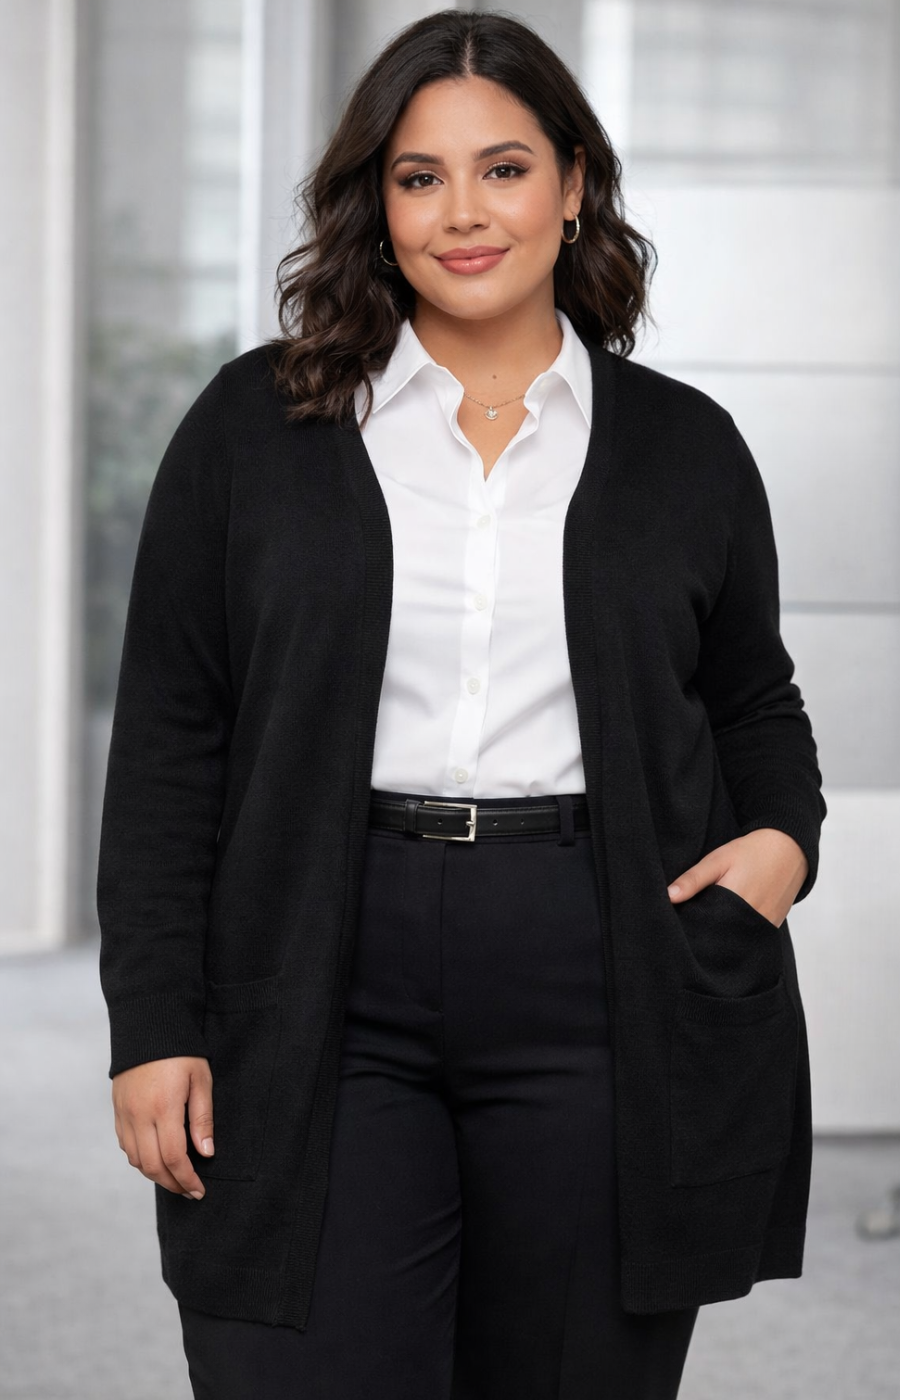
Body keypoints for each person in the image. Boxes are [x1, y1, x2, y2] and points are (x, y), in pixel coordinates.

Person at [97, 10, 827, 1399]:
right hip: (318, 956)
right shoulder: (256, 429)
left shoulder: (684, 448)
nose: (462, 214)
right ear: (377, 205)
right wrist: (154, 1021)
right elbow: (171, 741)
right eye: (420, 177)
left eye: (502, 168)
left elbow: (752, 699)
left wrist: (782, 844)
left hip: (600, 967)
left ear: (573, 185)